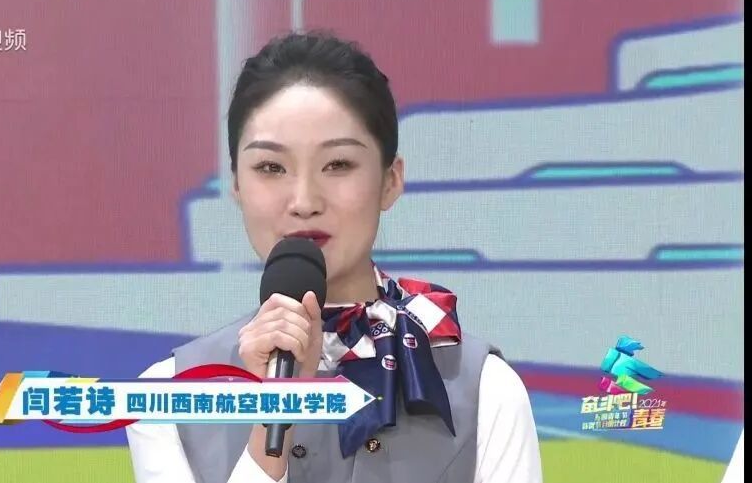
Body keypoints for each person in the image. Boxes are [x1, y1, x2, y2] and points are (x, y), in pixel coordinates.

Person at [127, 31, 543, 483]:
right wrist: (270, 422)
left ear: (390, 180)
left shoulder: (486, 390)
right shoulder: (168, 396)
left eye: (338, 165)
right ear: (237, 186)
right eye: (271, 168)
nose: (304, 201)